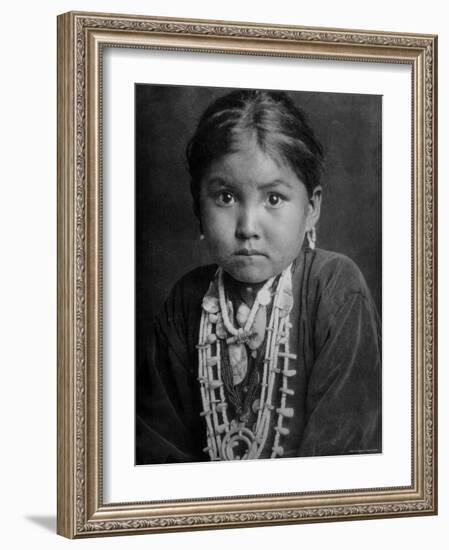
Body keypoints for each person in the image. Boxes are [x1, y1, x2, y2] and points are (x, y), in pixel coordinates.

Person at [136, 89, 381, 464]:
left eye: (274, 199)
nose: (247, 227)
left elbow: (342, 457)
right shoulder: (187, 301)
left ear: (311, 207)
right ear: (197, 207)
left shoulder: (334, 290)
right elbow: (156, 450)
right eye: (226, 197)